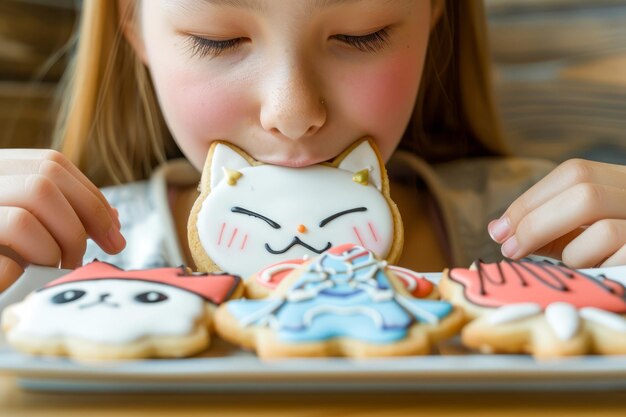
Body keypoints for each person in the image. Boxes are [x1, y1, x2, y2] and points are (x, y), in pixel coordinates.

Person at [0, 0, 624, 293]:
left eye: (361, 34)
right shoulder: (52, 262)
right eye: (217, 40)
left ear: (435, 13)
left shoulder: (561, 242)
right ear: (131, 24)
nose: (293, 112)